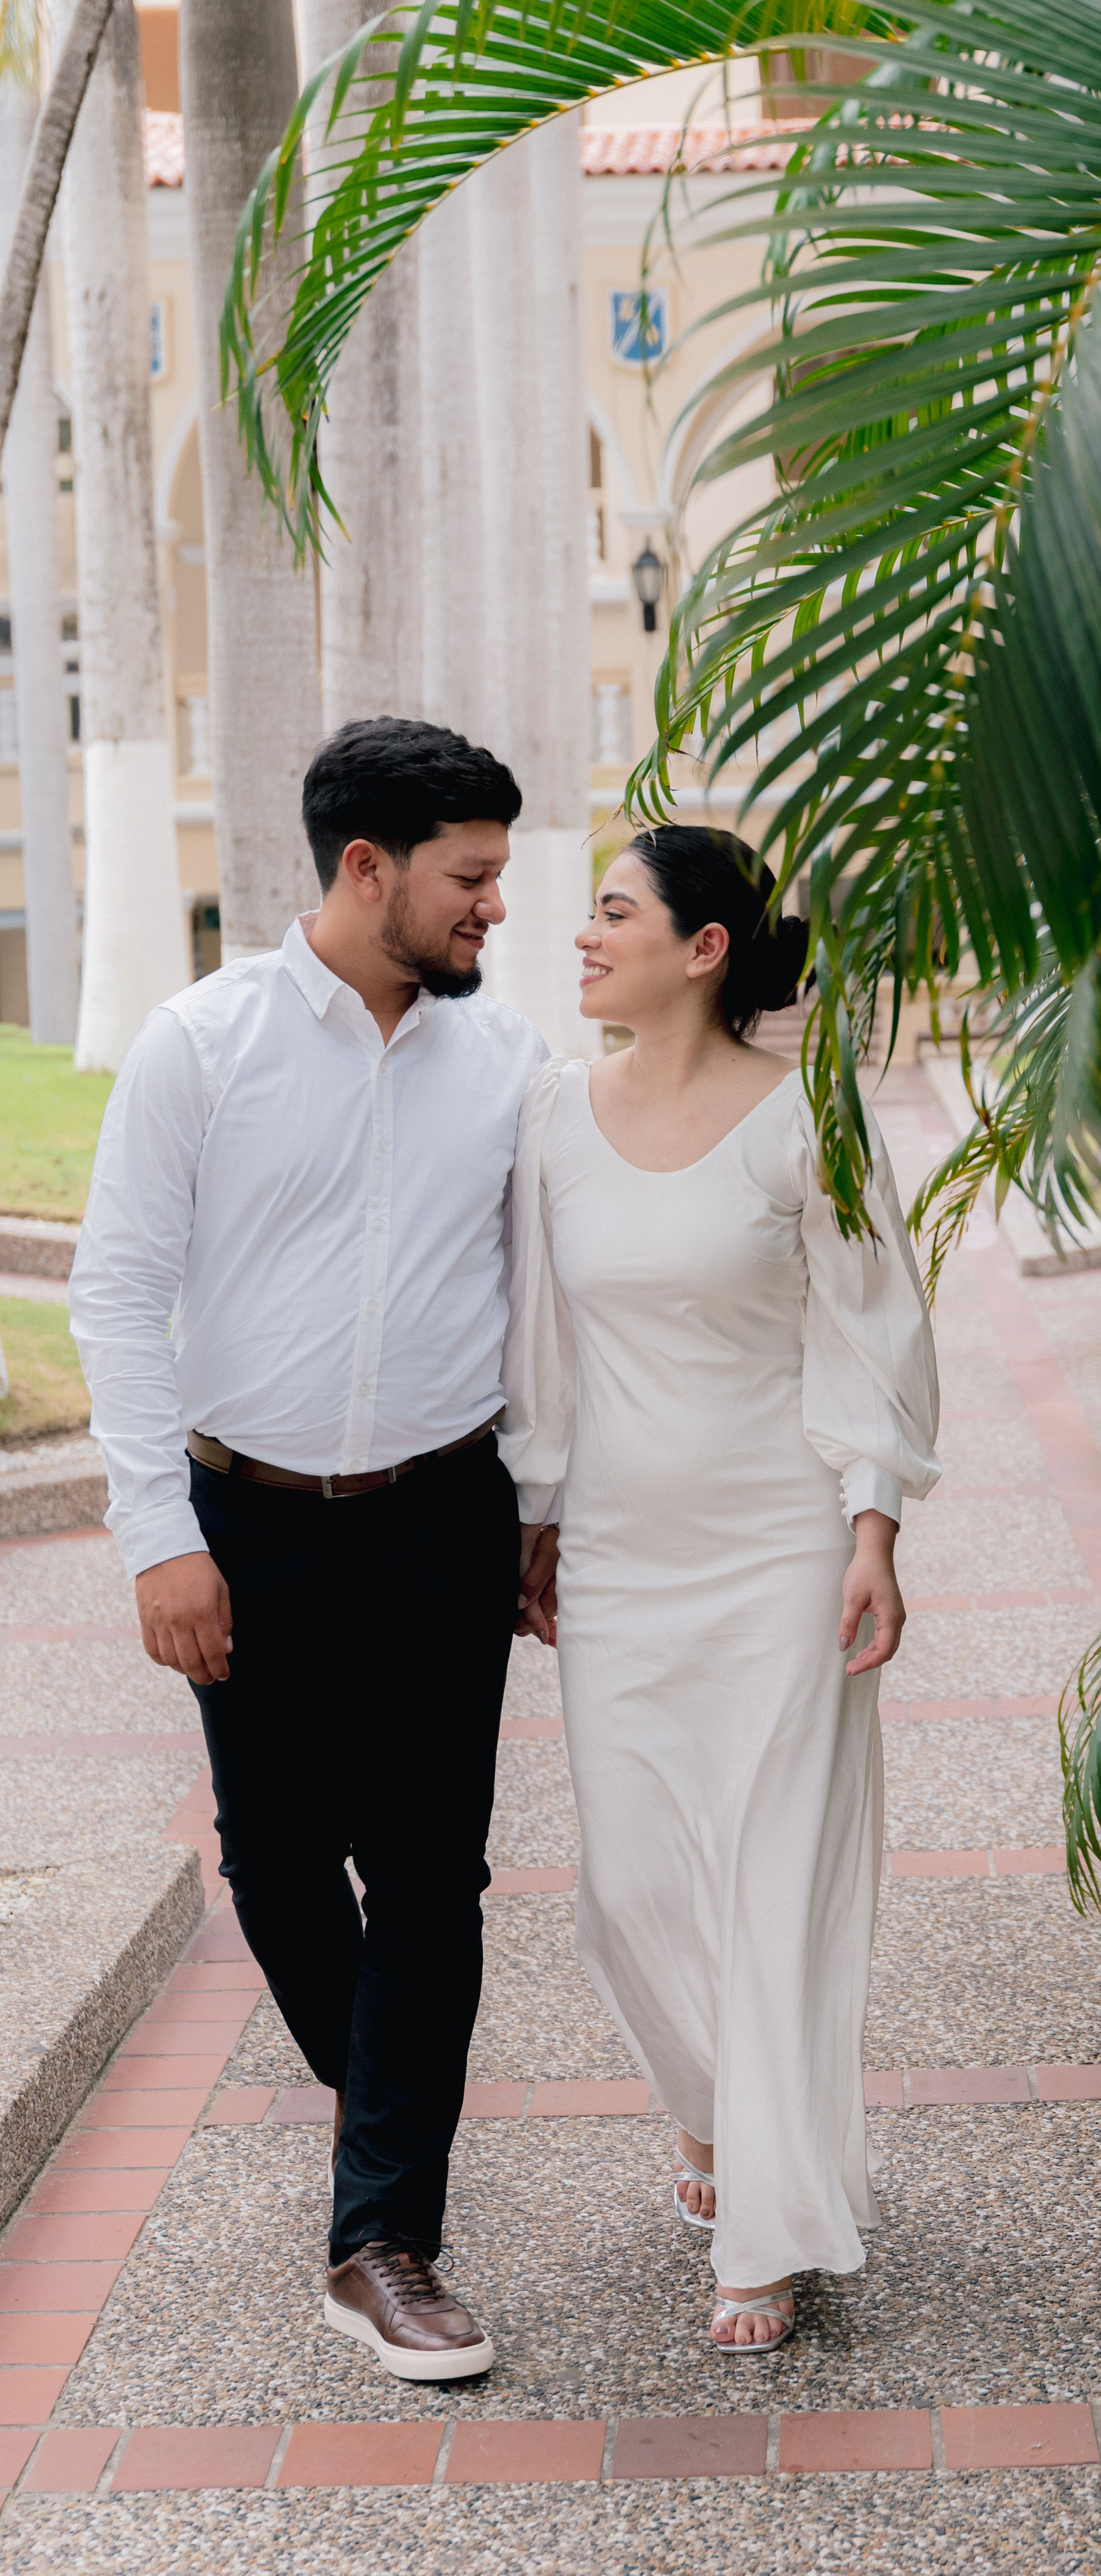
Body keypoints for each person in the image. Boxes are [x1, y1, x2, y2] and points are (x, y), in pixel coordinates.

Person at [69, 718, 560, 2383]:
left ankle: (381, 2238)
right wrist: (158, 1539)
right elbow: (117, 1293)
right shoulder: (199, 1045)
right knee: (274, 1863)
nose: (495, 906)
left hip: (442, 1515)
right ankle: (390, 2113)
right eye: (469, 877)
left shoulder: (506, 1060)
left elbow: (540, 1302)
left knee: (429, 1873)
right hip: (244, 1523)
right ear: (367, 868)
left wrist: (541, 1510)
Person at [500, 824, 940, 2354]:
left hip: (780, 1555)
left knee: (771, 1882)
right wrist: (538, 1515)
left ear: (702, 949)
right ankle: (705, 2106)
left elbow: (872, 1325)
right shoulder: (552, 1116)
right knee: (626, 1895)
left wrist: (874, 1524)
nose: (582, 934)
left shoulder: (807, 1118)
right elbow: (543, 1342)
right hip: (620, 1557)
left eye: (612, 911)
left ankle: (768, 2215)